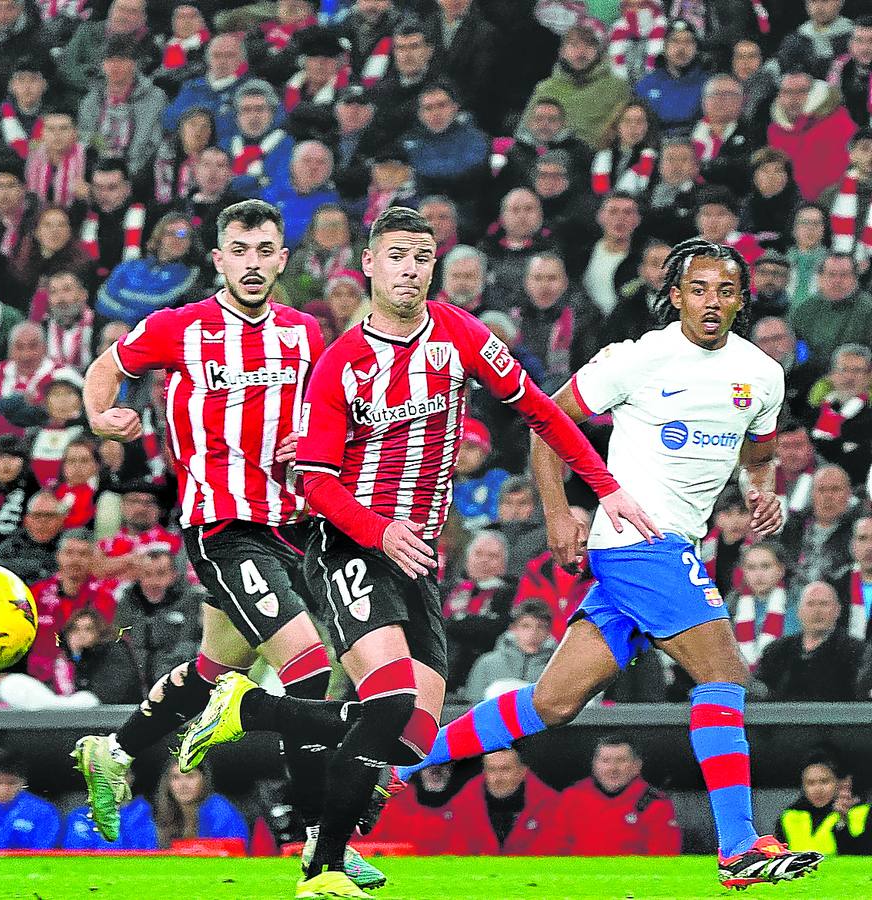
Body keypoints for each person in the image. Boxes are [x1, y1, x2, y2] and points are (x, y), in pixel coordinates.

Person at [179, 205, 653, 899]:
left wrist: (604, 486)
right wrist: (378, 531)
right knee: (391, 698)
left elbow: (542, 410)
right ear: (368, 264)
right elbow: (312, 480)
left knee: (413, 736)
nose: (410, 269)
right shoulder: (341, 361)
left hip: (418, 554)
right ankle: (323, 868)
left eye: (422, 257)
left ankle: (252, 711)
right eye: (397, 255)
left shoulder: (458, 333)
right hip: (349, 544)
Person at [362, 238, 822, 889]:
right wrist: (557, 513)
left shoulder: (763, 374)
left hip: (666, 551)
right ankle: (740, 845)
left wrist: (763, 494)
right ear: (675, 296)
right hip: (638, 544)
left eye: (725, 290)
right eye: (698, 289)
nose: (711, 302)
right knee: (724, 676)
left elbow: (758, 452)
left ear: (743, 298)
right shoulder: (639, 360)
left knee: (552, 704)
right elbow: (545, 421)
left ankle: (397, 762)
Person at [70, 199, 379, 886]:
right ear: (218, 259)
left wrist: (320, 440)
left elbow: (329, 415)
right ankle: (317, 843)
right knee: (305, 668)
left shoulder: (303, 332)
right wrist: (101, 413)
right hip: (221, 525)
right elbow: (104, 366)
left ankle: (115, 752)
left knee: (215, 668)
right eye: (239, 250)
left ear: (281, 259)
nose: (252, 263)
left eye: (265, 250)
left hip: (292, 525)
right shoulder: (181, 328)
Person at [559, 736, 681, 856]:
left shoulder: (655, 804)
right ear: (594, 766)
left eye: (621, 760)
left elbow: (664, 860)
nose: (613, 768)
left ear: (636, 766)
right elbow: (555, 848)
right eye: (605, 761)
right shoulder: (572, 797)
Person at [776, 752, 872, 855]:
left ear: (839, 783)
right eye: (810, 783)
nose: (818, 789)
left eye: (824, 781)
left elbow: (862, 853)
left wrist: (842, 823)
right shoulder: (789, 816)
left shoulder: (862, 812)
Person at [152, 760, 248, 849]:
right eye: (176, 777)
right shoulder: (163, 816)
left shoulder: (220, 811)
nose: (183, 784)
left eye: (190, 776)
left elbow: (232, 853)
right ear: (168, 784)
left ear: (204, 780)